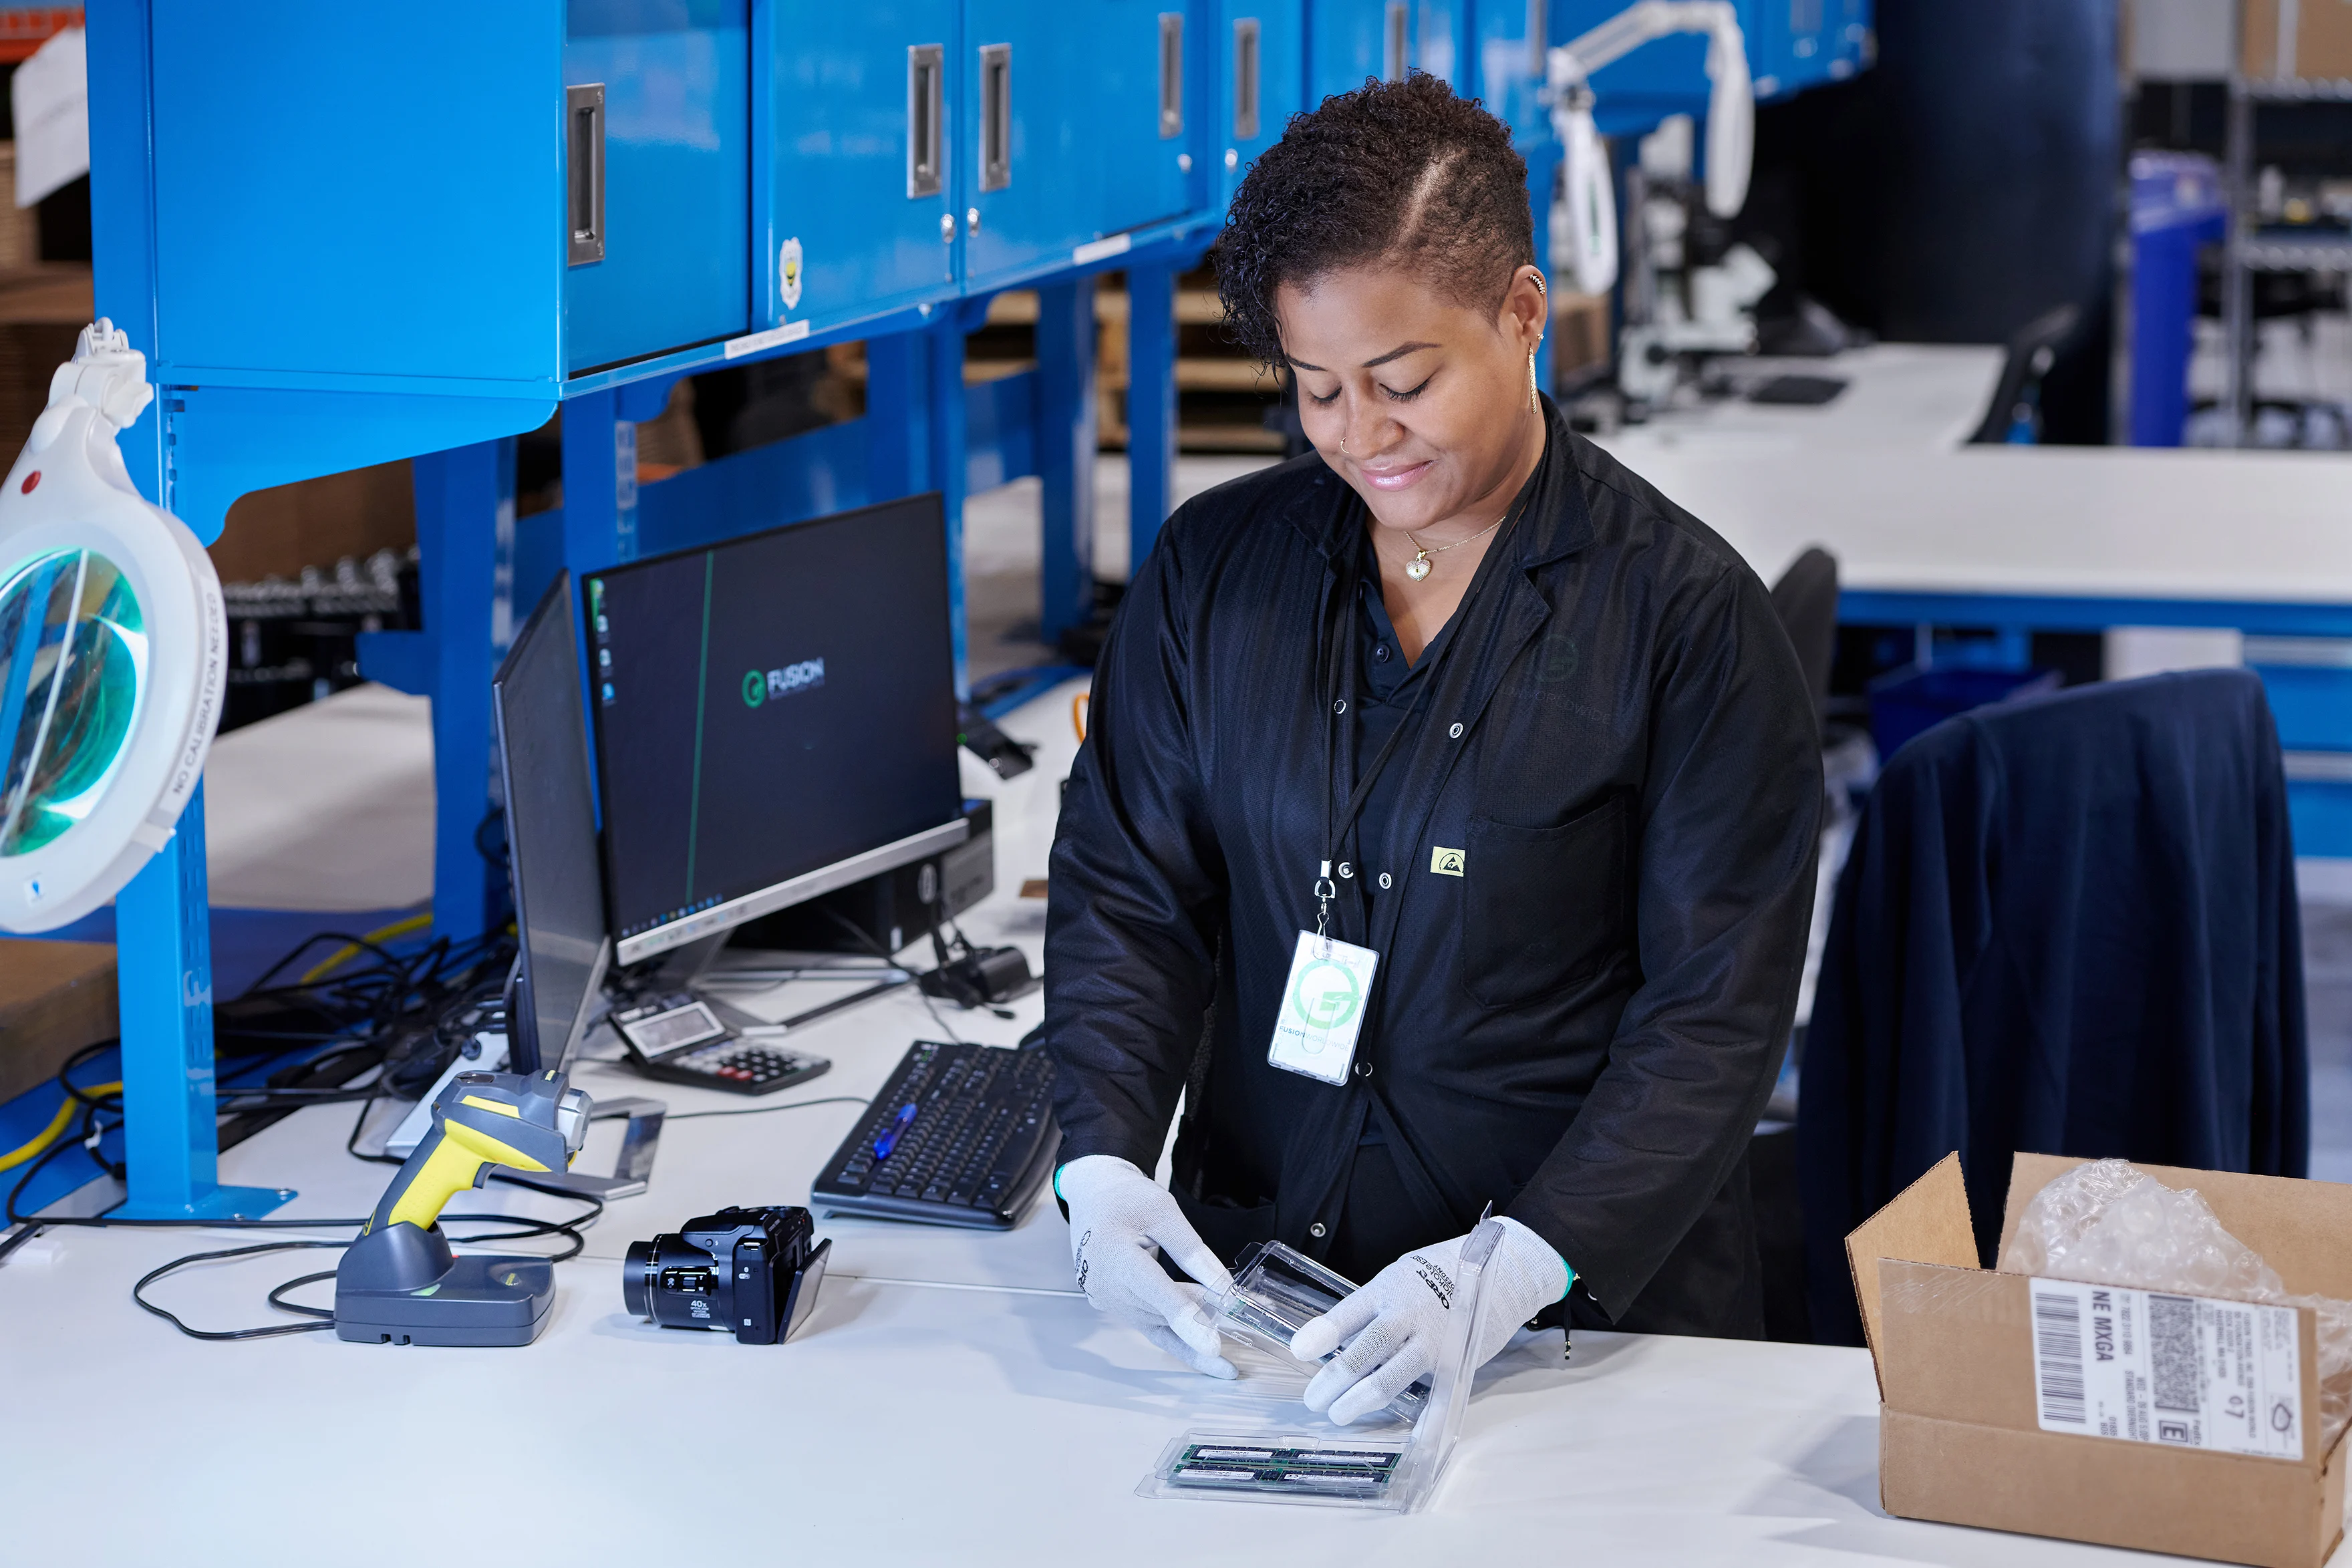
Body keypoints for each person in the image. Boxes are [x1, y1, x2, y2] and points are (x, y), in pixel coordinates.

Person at [1042, 75, 1822, 1426]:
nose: (1358, 436)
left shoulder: (1682, 621)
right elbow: (1129, 892)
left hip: (1571, 1340)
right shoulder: (1213, 575)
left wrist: (1513, 1268)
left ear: (1521, 313)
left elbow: (1710, 1017)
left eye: (1403, 383)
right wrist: (1101, 1163)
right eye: (1316, 390)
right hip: (1256, 1324)